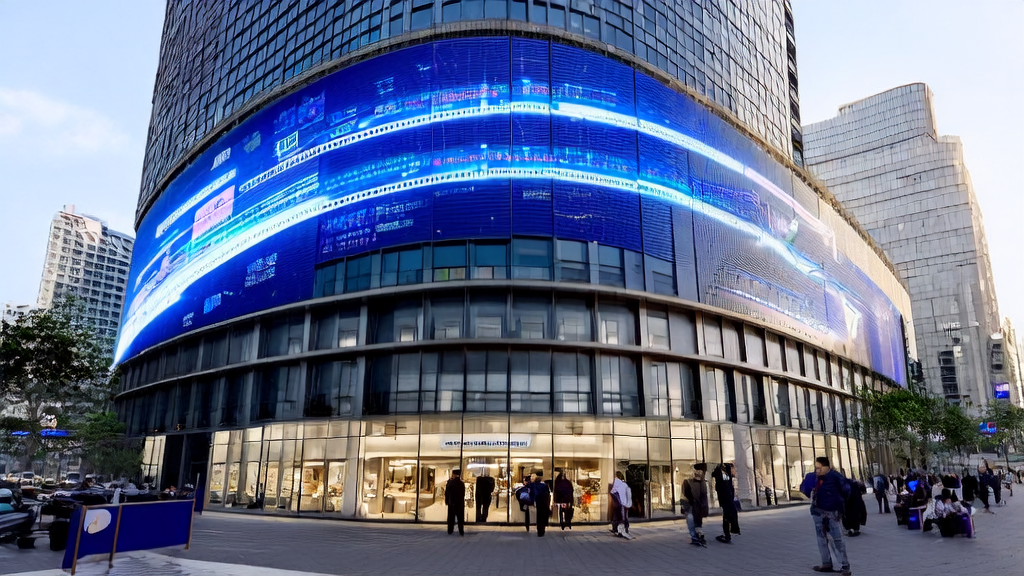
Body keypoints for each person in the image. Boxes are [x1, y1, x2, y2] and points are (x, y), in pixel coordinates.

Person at [800, 457, 852, 576]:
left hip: (832, 512)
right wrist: (808, 485)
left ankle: (845, 566)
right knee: (821, 538)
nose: (817, 470)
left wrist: (839, 503)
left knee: (837, 539)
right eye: (816, 468)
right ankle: (826, 563)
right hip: (817, 512)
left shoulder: (835, 476)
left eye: (819, 468)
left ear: (826, 466)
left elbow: (846, 490)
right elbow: (805, 490)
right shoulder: (813, 477)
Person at [683, 463, 709, 547]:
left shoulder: (702, 482)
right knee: (691, 520)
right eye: (697, 472)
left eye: (701, 472)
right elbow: (686, 493)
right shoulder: (688, 481)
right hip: (690, 504)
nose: (699, 474)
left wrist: (703, 504)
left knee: (697, 520)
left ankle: (697, 535)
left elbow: (704, 495)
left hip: (698, 505)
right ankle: (694, 536)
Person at [711, 463, 739, 543]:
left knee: (728, 516)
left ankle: (728, 534)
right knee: (728, 516)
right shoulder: (724, 479)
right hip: (727, 500)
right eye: (733, 469)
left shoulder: (725, 477)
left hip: (727, 500)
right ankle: (727, 534)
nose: (734, 471)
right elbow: (725, 490)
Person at [609, 471, 633, 539]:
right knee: (624, 517)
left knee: (617, 517)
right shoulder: (624, 484)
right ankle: (624, 530)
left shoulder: (615, 483)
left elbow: (612, 492)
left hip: (618, 503)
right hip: (624, 503)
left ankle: (616, 529)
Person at [444, 469, 465, 536]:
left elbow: (447, 493)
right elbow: (462, 494)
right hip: (459, 502)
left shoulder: (450, 483)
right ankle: (461, 530)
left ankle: (450, 530)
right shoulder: (461, 483)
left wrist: (447, 501)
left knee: (451, 517)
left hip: (452, 502)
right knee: (460, 517)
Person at [531, 473, 551, 537]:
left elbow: (533, 493)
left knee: (539, 515)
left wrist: (533, 500)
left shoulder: (534, 485)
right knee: (543, 515)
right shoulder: (545, 485)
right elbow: (548, 494)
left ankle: (539, 529)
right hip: (544, 501)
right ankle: (543, 528)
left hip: (538, 501)